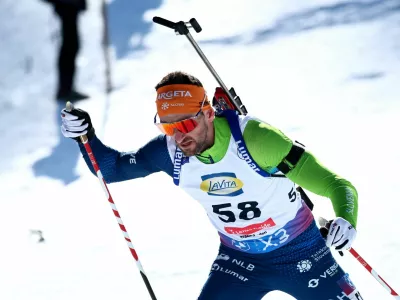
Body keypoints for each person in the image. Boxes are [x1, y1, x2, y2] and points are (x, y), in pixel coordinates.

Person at [60, 71, 363, 300]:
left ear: (207, 113)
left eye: (185, 125)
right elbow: (111, 169)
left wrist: (347, 221)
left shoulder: (256, 138)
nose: (178, 136)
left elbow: (337, 185)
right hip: (241, 261)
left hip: (302, 251)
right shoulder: (169, 152)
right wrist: (85, 136)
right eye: (167, 127)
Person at [43, 0, 89, 101]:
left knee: (70, 46)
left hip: (68, 4)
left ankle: (65, 89)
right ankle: (65, 90)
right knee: (70, 46)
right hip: (67, 4)